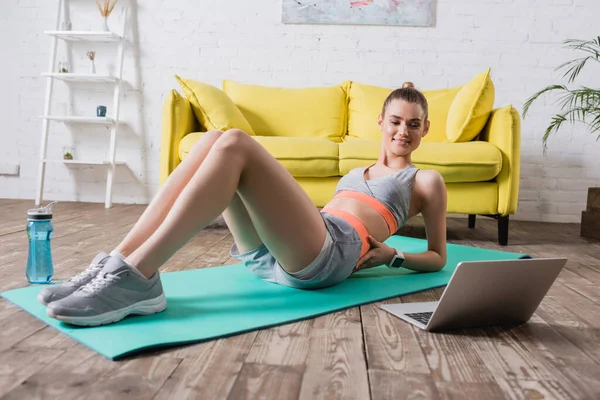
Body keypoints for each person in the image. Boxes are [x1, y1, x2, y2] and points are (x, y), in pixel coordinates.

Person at [38, 82, 447, 326]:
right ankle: (118, 262)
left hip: (331, 254)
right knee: (213, 140)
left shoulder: (425, 180)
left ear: (425, 128)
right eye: (396, 121)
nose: (403, 132)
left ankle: (138, 278)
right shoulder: (357, 170)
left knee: (235, 140)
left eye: (414, 124)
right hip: (281, 252)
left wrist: (393, 256)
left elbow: (437, 257)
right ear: (380, 122)